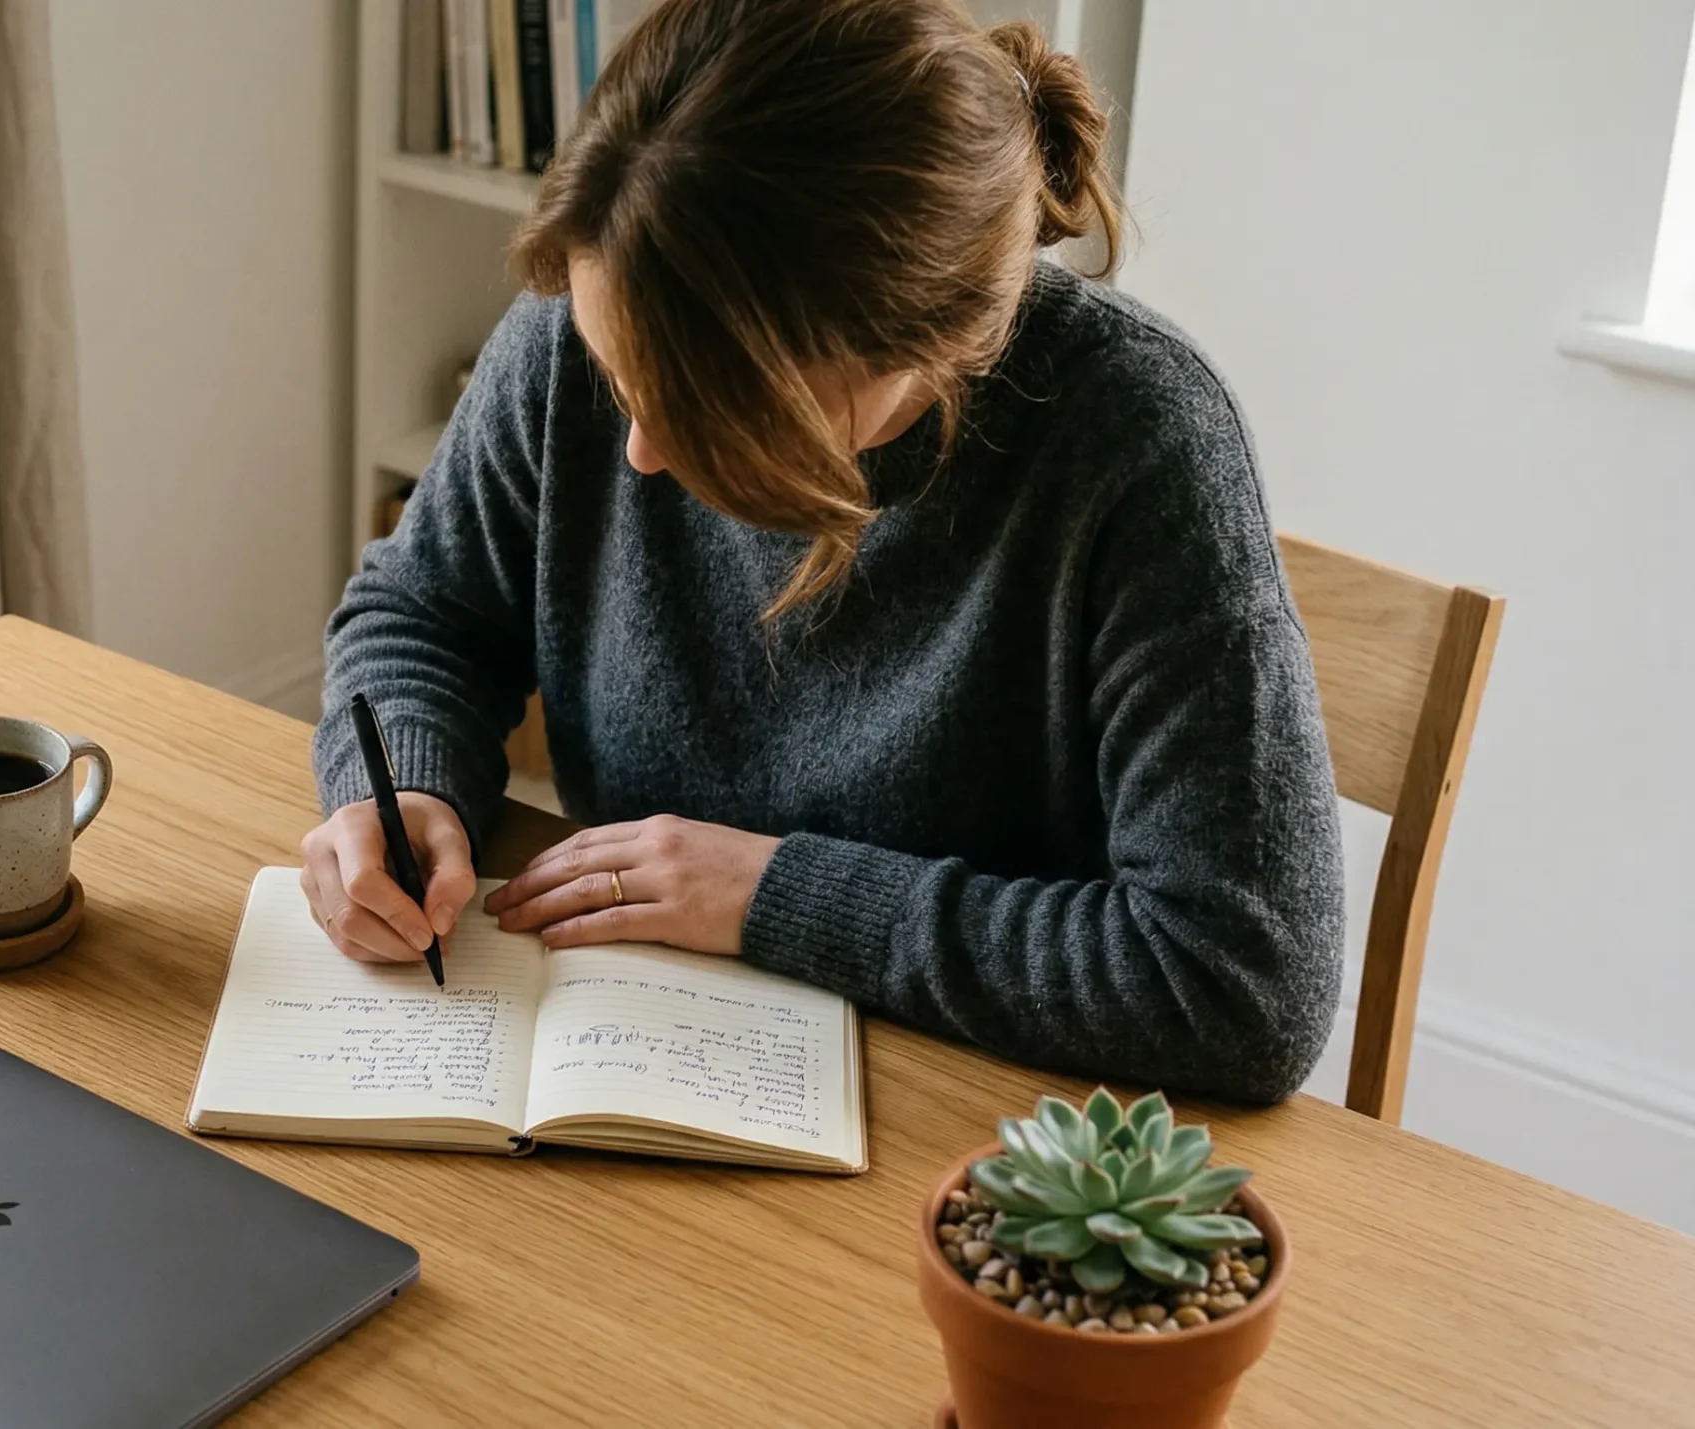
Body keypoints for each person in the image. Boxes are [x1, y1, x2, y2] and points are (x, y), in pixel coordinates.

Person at [301, 0, 1344, 1102]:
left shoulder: (1137, 441)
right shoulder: (582, 322)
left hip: (977, 1115)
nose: (640, 451)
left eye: (701, 405)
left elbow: (1241, 986)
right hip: (637, 1044)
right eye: (620, 381)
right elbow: (424, 613)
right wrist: (403, 784)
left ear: (912, 345)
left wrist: (773, 895)